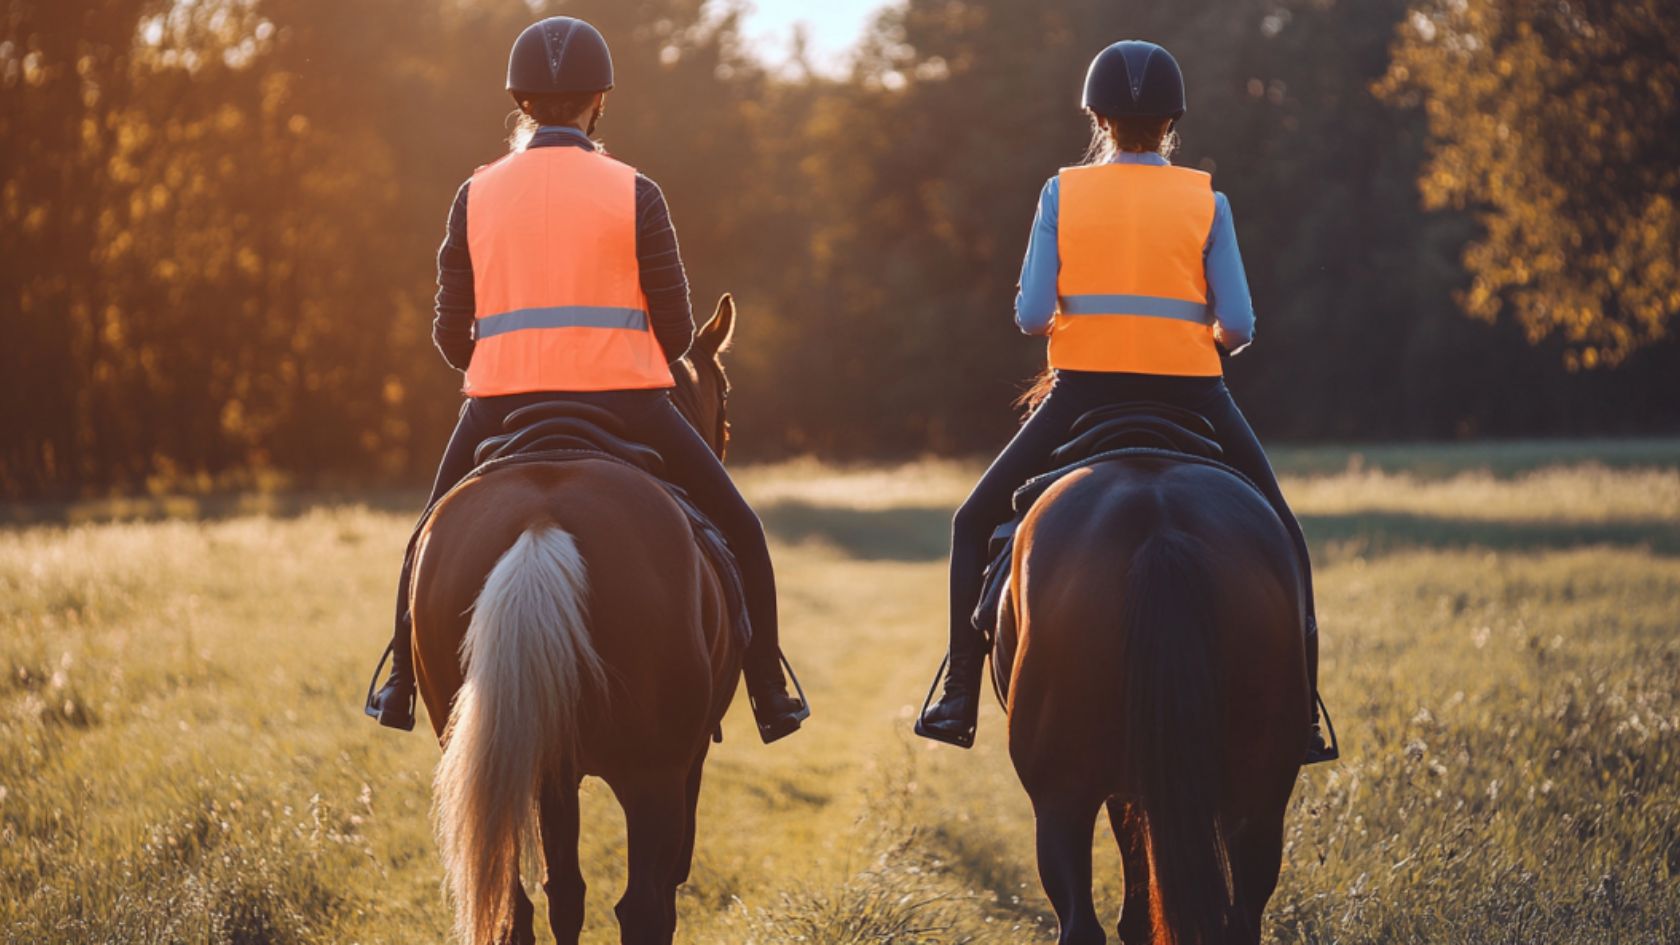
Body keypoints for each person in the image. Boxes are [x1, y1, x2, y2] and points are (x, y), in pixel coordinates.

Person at [365, 15, 808, 743]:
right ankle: (768, 690)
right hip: (629, 405)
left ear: (520, 101)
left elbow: (450, 336)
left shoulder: (473, 194)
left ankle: (402, 684)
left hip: (498, 408)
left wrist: (506, 364)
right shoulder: (636, 191)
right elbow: (673, 333)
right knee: (742, 529)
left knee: (423, 542)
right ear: (599, 101)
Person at [914, 40, 1333, 763]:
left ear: (1097, 118)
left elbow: (1030, 315)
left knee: (970, 521)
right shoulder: (1207, 199)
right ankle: (1304, 715)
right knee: (1284, 535)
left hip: (1081, 394)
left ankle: (957, 696)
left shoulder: (1062, 192)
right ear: (1173, 122)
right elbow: (1238, 326)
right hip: (1196, 395)